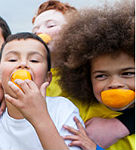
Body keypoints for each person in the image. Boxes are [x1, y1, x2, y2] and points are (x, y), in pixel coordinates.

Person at [0, 1, 134, 148]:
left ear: (76, 30)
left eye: (51, 25)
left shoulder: (95, 64)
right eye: (35, 30)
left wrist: (123, 124)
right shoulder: (40, 73)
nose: (41, 32)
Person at [0, 32, 94, 150]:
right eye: (12, 60)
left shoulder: (62, 109)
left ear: (48, 78)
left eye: (34, 60)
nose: (22, 64)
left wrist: (40, 117)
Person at [53, 0, 135, 149]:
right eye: (101, 76)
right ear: (85, 78)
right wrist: (0, 87)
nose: (114, 83)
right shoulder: (73, 109)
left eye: (128, 73)